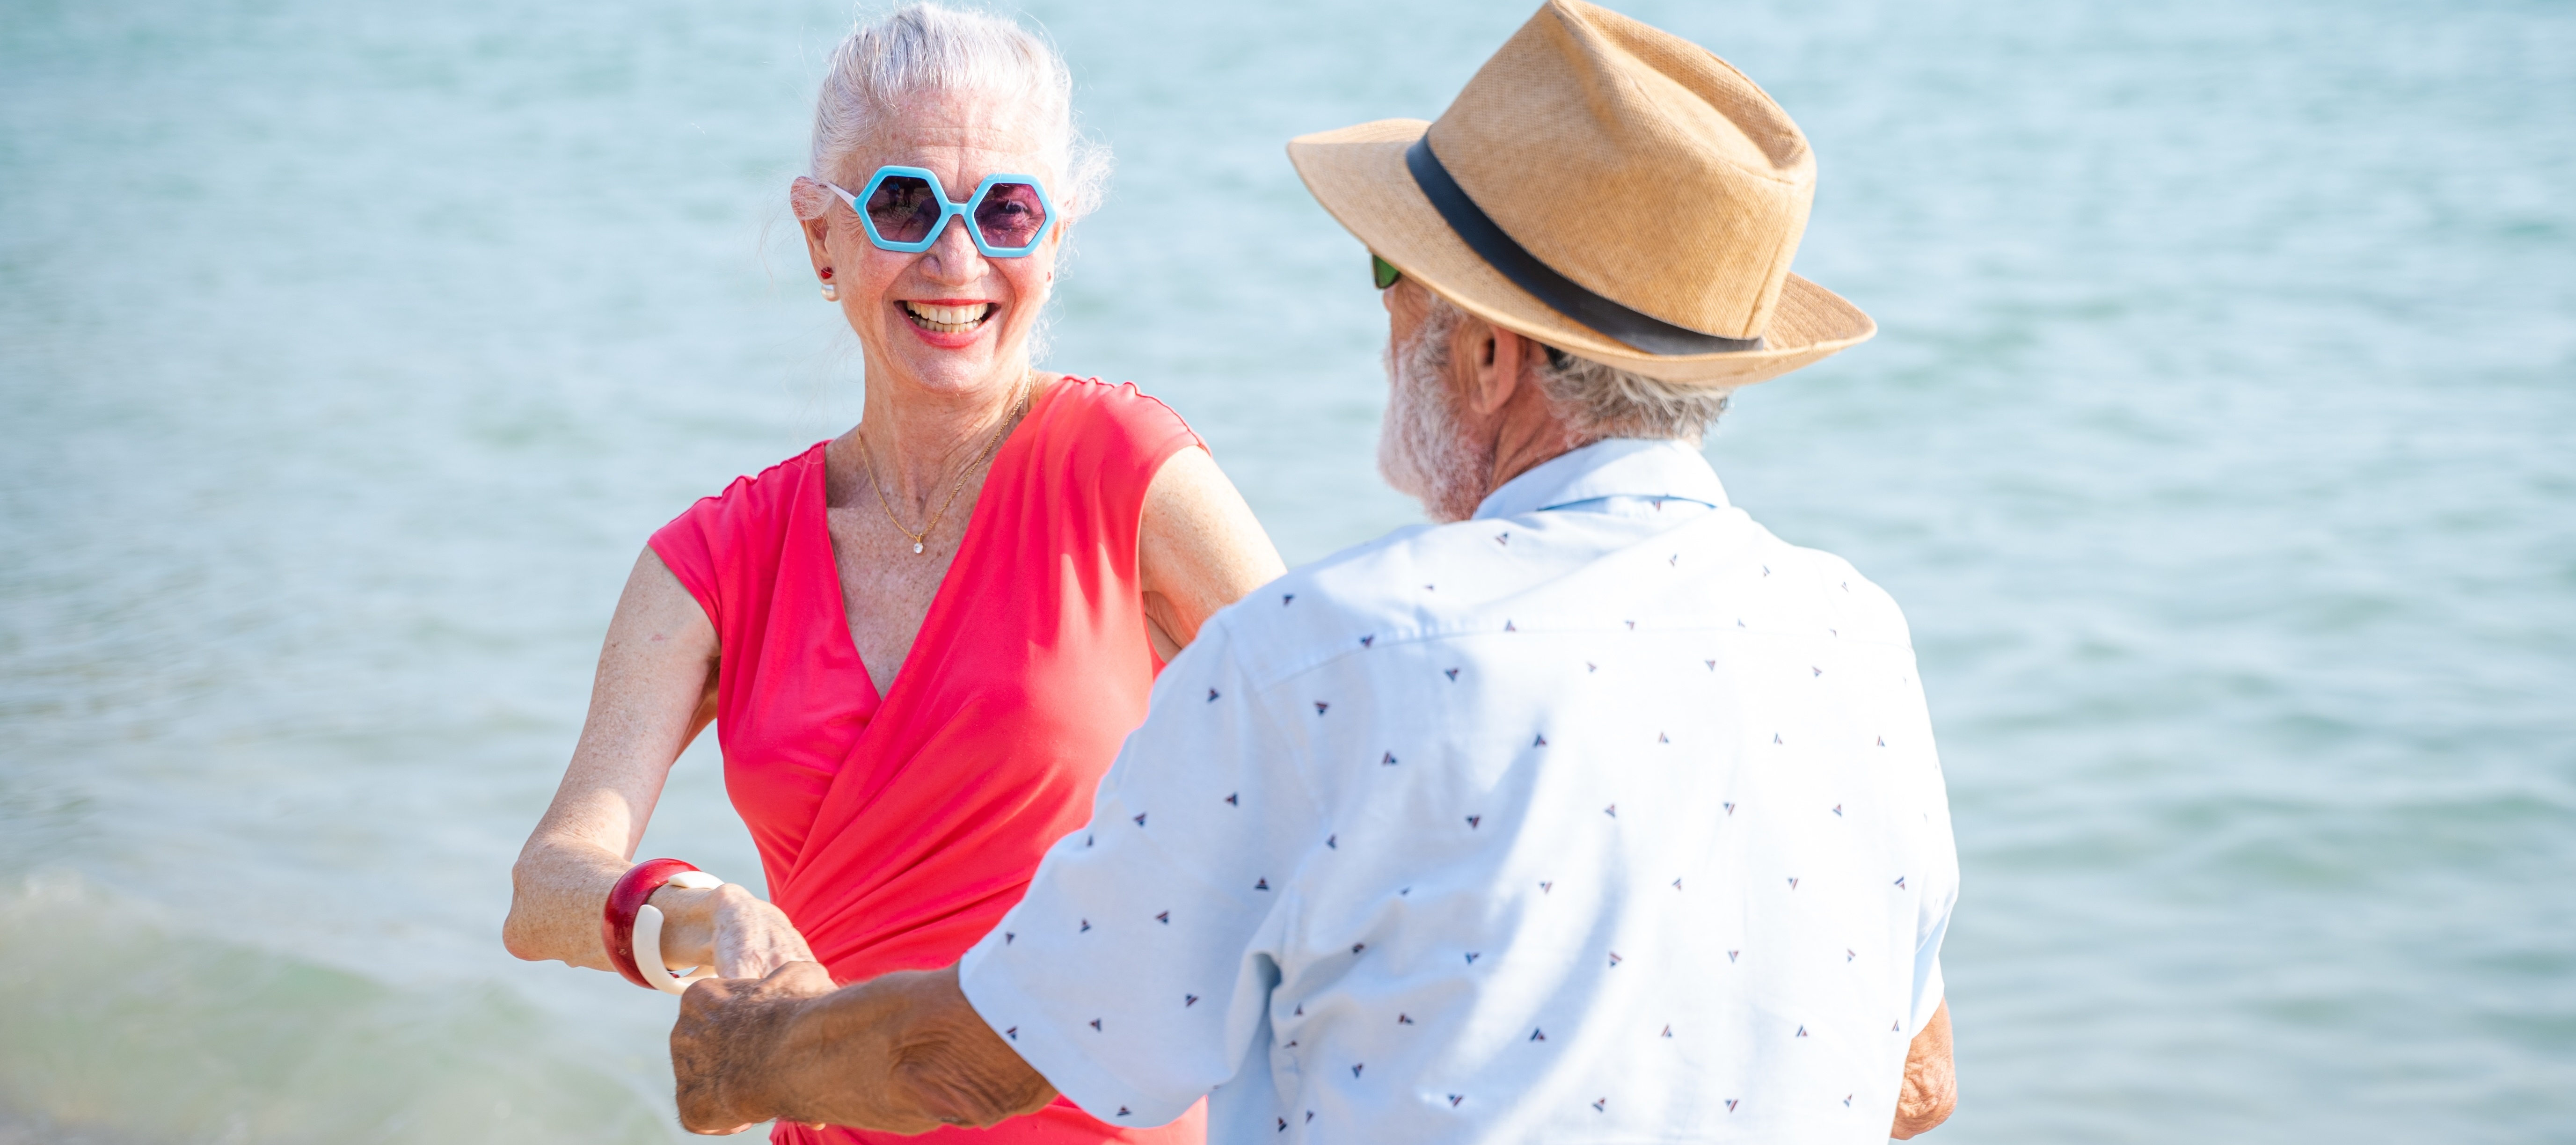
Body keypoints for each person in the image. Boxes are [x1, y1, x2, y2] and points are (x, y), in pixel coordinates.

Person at [664, 2, 1959, 1142]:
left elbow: (997, 1053)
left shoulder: (1322, 659)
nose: (1384, 317)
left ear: (1493, 357)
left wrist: (747, 1056)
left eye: (1395, 275)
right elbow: (1919, 1084)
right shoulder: (1854, 639)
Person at [500, 7, 1283, 1145]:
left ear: (1052, 241)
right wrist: (695, 914)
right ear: (823, 239)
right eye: (905, 204)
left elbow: (1349, 741)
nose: (956, 260)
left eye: (1004, 210)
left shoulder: (1127, 471)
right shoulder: (717, 557)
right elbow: (546, 889)